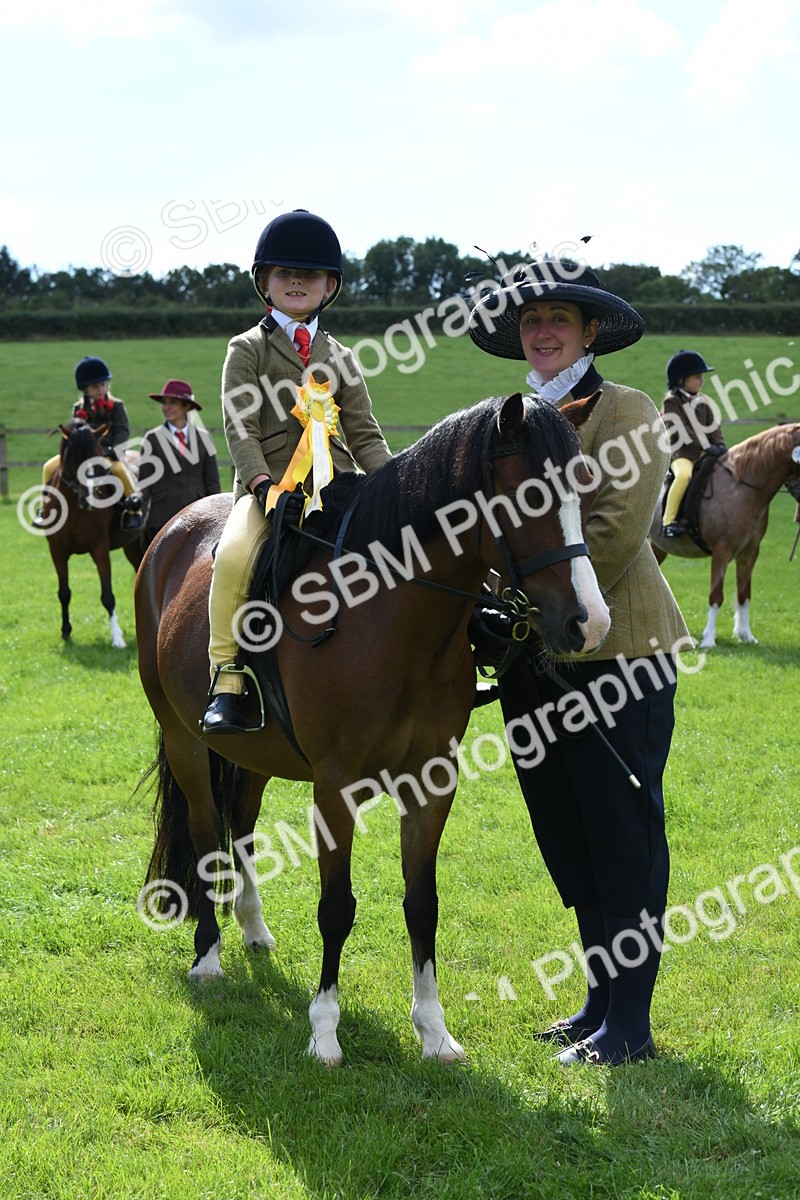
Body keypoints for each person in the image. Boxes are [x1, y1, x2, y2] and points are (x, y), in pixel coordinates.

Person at [469, 258, 690, 1066]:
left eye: (558, 320)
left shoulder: (626, 410)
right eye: (531, 324)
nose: (543, 333)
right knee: (566, 830)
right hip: (534, 665)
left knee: (621, 831)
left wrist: (520, 610)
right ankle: (599, 998)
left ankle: (630, 1022)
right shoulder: (509, 423)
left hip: (618, 653)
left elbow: (617, 533)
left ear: (590, 332)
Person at [202, 209, 392, 734]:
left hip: (337, 489)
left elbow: (365, 433)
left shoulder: (343, 357)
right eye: (285, 273)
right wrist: (263, 487)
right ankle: (228, 677)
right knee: (236, 556)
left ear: (329, 286)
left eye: (308, 276)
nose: (296, 283)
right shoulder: (248, 349)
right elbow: (239, 426)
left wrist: (399, 486)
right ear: (265, 281)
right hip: (270, 492)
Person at [37, 355, 142, 528]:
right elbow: (75, 433)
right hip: (84, 455)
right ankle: (44, 509)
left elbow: (122, 430)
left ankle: (133, 510)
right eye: (95, 386)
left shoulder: (117, 405)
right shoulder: (78, 408)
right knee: (48, 466)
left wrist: (116, 450)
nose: (101, 389)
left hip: (108, 452)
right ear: (85, 389)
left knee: (119, 469)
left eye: (104, 384)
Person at [138, 379, 222, 547]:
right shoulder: (152, 439)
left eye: (173, 403)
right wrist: (136, 503)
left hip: (197, 519)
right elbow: (145, 483)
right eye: (164, 403)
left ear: (186, 407)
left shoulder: (204, 438)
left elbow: (212, 483)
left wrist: (218, 516)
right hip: (161, 519)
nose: (166, 407)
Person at [660, 349, 726, 536]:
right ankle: (668, 522)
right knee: (684, 476)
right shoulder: (671, 402)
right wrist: (706, 446)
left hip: (705, 453)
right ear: (681, 379)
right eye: (697, 377)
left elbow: (714, 427)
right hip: (682, 454)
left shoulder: (704, 401)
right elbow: (681, 429)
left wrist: (720, 445)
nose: (701, 381)